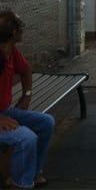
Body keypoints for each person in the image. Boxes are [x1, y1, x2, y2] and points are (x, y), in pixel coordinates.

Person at [0, 11, 54, 189]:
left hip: (6, 110)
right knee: (26, 138)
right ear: (14, 33)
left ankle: (32, 173)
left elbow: (25, 70)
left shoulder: (11, 51)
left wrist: (26, 95)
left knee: (46, 122)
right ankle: (20, 184)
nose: (23, 32)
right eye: (20, 28)